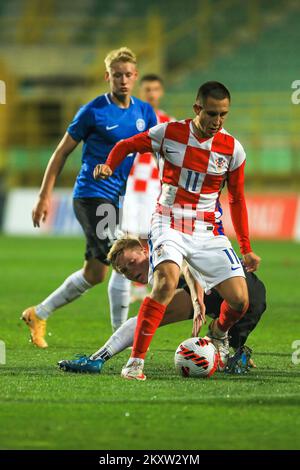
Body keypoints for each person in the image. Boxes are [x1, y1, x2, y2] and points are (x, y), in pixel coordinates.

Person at [94, 81, 261, 380]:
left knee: (240, 300)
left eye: (223, 114)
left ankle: (219, 333)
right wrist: (109, 165)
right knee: (166, 282)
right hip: (169, 219)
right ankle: (135, 363)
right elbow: (125, 146)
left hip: (207, 228)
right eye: (211, 113)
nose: (217, 121)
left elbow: (236, 198)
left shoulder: (233, 149)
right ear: (197, 109)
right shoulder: (169, 133)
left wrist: (246, 247)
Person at [21, 47, 157, 348]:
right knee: (126, 259)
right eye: (117, 75)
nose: (123, 80)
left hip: (115, 200)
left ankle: (38, 313)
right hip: (91, 196)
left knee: (95, 273)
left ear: (135, 77)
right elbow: (61, 153)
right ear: (107, 76)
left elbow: (159, 149)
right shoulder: (93, 111)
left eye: (128, 75)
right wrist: (44, 196)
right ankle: (121, 340)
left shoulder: (145, 112)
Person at [57, 237, 266, 374]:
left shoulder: (162, 248)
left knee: (149, 317)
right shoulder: (153, 271)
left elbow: (187, 266)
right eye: (124, 271)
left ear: (143, 249)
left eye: (131, 262)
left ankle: (230, 347)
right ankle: (97, 359)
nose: (130, 271)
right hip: (221, 295)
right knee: (148, 318)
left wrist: (196, 298)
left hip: (244, 291)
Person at [121, 74, 173, 303]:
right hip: (132, 185)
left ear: (160, 92)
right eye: (147, 89)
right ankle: (136, 285)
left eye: (155, 89)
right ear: (141, 92)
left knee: (152, 236)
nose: (151, 93)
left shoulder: (168, 122)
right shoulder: (129, 119)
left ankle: (153, 282)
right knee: (130, 236)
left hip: (156, 186)